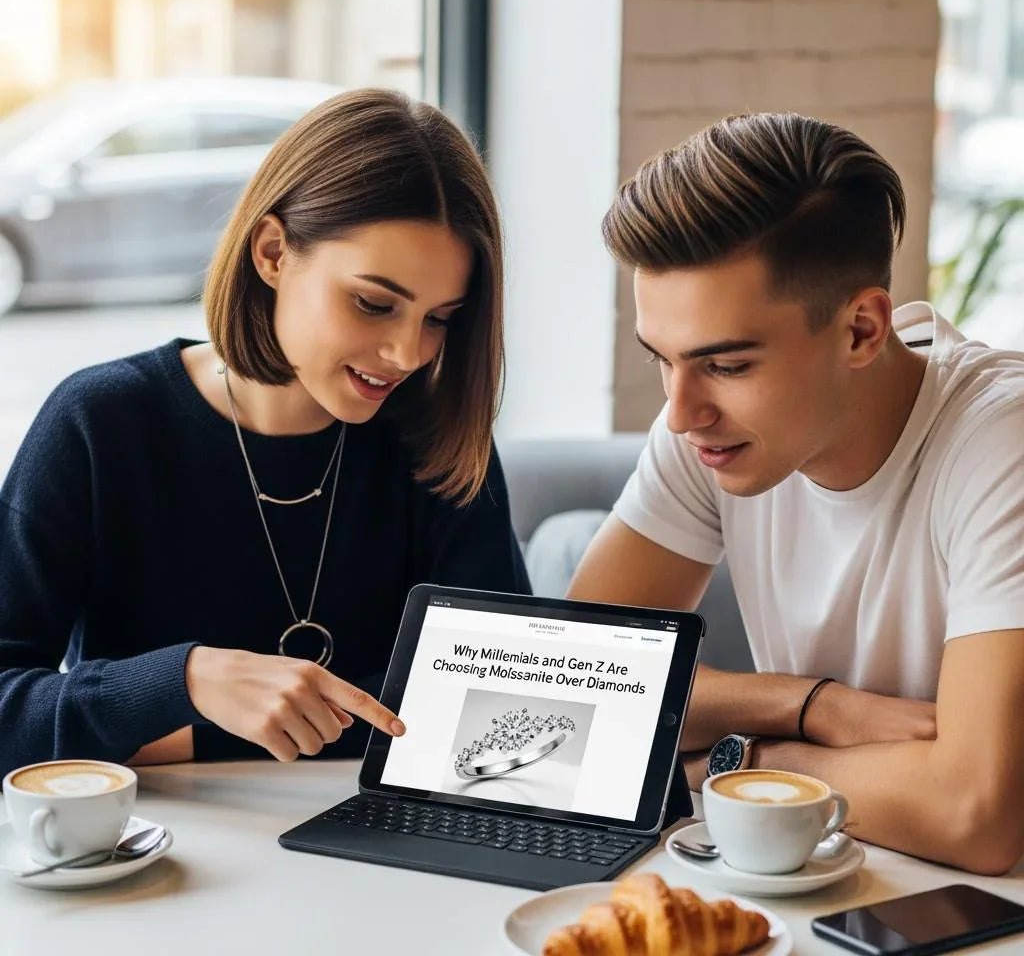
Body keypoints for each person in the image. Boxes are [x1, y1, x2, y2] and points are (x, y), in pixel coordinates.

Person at [0, 88, 529, 777]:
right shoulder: (101, 424)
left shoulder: (441, 441)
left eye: (439, 318)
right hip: (164, 844)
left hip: (378, 839)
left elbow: (499, 702)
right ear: (274, 252)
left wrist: (185, 736)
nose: (408, 353)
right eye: (373, 303)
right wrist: (187, 680)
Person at [568, 112, 1024, 875]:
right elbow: (574, 683)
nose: (680, 411)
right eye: (662, 359)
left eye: (728, 365)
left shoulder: (1000, 444)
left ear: (861, 331)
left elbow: (973, 814)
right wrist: (811, 706)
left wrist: (743, 760)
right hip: (830, 876)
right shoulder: (706, 430)